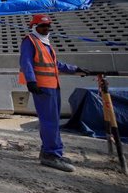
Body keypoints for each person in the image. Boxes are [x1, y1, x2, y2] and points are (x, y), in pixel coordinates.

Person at [18, 14, 88, 172]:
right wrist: (31, 81)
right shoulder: (30, 41)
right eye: (42, 26)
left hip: (53, 86)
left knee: (52, 120)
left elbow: (55, 64)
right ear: (35, 27)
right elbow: (26, 62)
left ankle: (49, 150)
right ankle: (52, 154)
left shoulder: (45, 44)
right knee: (50, 121)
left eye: (48, 26)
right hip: (42, 88)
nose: (46, 29)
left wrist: (75, 69)